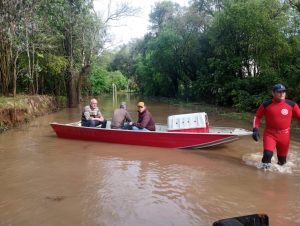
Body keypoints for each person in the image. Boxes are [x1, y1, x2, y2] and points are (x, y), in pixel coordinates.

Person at [252, 83, 300, 169]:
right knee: (267, 155)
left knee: (282, 162)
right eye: (279, 92)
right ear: (273, 93)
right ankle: (262, 176)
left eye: (284, 92)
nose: (282, 94)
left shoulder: (292, 105)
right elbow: (257, 116)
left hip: (284, 135)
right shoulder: (266, 105)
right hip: (270, 134)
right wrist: (255, 129)